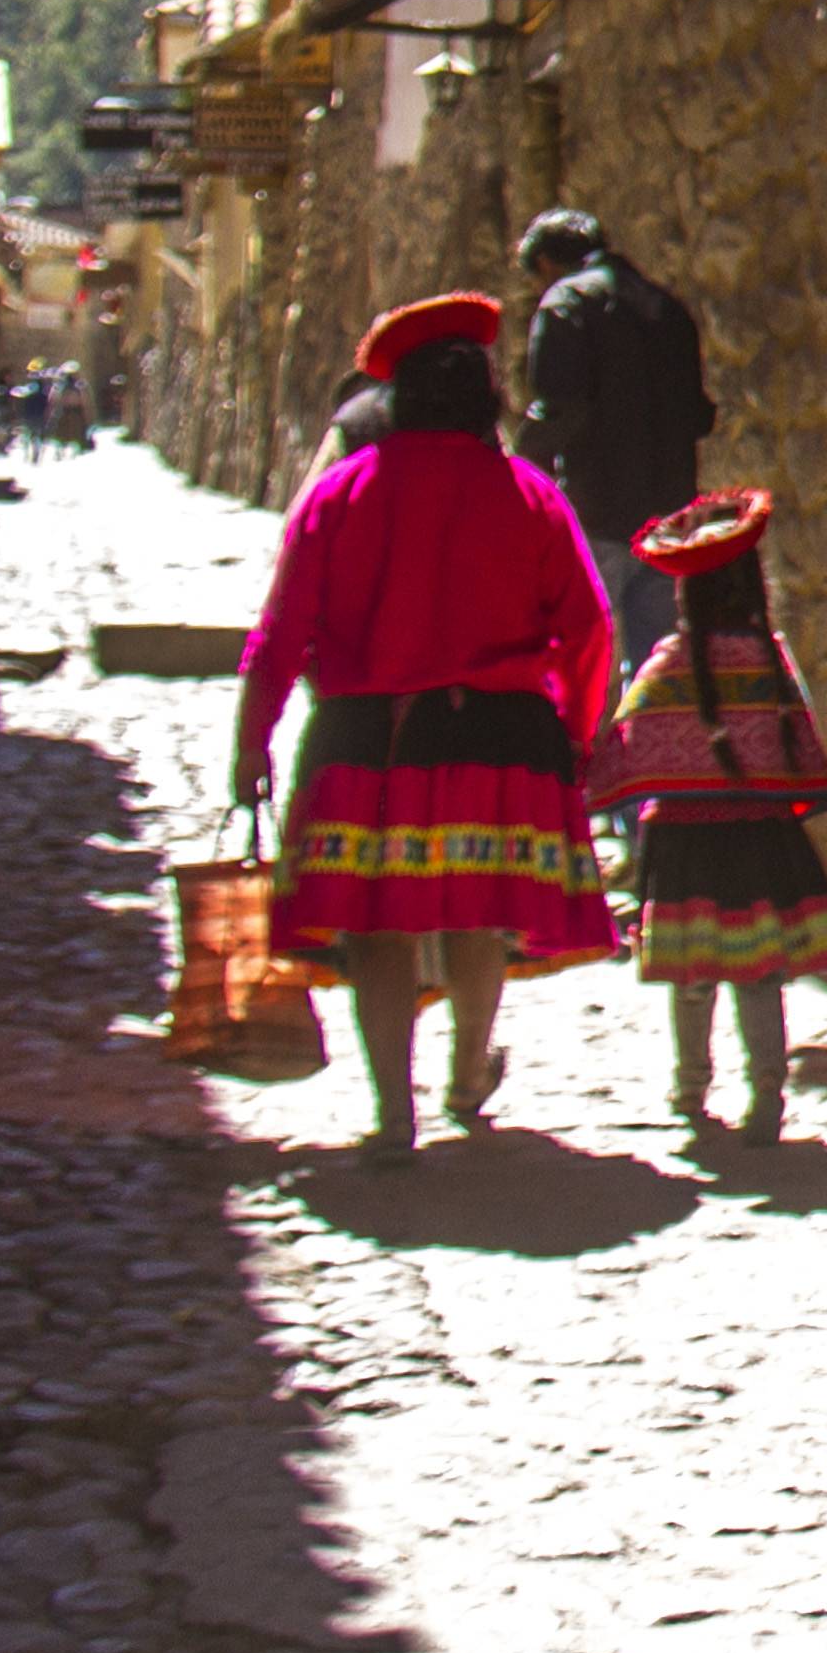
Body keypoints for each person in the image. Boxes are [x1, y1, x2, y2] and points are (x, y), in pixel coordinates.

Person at [230, 294, 623, 1158]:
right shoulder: (529, 496)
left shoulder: (341, 495)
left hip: (369, 744)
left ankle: (392, 1112)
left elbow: (280, 631)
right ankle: (468, 1074)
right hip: (501, 741)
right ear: (486, 395)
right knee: (477, 913)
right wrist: (577, 732)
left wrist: (250, 741)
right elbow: (590, 625)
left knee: (380, 924)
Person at [582, 488, 827, 1140]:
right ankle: (767, 1100)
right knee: (760, 977)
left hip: (684, 849)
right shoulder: (769, 660)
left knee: (693, 977)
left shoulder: (668, 665)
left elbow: (627, 748)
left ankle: (689, 1092)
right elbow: (797, 746)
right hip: (759, 842)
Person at [513, 212, 715, 660]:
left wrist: (522, 480)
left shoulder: (564, 304)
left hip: (596, 514)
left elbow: (558, 413)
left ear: (546, 263)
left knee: (577, 660)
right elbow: (698, 416)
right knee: (654, 667)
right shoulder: (666, 308)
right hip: (667, 518)